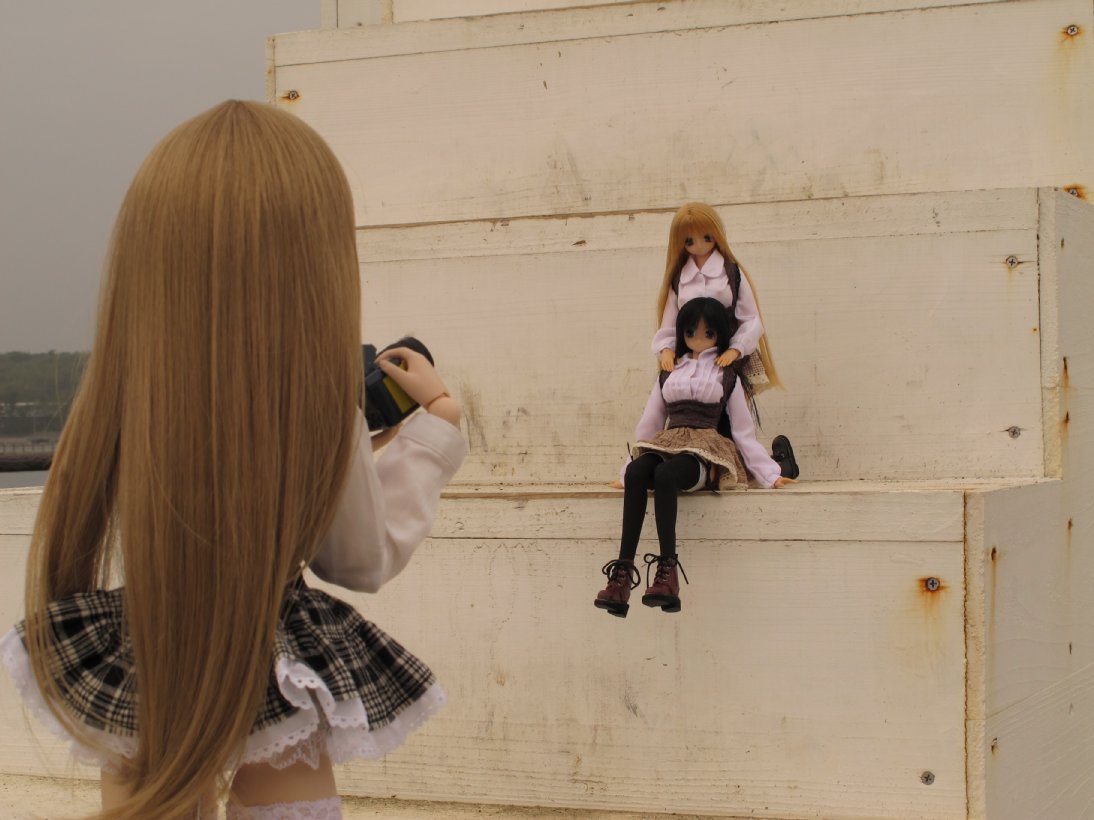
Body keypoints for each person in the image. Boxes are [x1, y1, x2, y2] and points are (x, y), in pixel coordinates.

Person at [0, 100, 466, 820]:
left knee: (145, 796)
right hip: (268, 656)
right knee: (286, 800)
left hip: (149, 640)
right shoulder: (320, 411)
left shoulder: (129, 391)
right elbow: (360, 559)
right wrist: (435, 430)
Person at [595, 298, 793, 619]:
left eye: (708, 333)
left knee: (665, 476)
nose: (698, 339)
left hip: (704, 447)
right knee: (637, 473)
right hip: (668, 441)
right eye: (690, 332)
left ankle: (667, 574)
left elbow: (743, 430)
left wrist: (769, 474)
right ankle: (622, 575)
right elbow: (650, 422)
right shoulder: (670, 371)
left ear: (720, 335)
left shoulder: (726, 375)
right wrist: (626, 469)